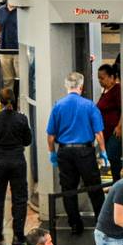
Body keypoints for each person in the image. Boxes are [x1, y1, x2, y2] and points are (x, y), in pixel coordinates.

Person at [46, 72, 106, 236]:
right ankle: (101, 222)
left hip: (64, 152)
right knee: (94, 187)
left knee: (68, 189)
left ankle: (75, 224)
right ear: (81, 86)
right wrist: (103, 152)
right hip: (85, 152)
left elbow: (51, 136)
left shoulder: (58, 106)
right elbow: (99, 133)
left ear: (66, 86)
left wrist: (52, 153)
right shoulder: (89, 105)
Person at [0, 88, 32, 245]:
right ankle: (18, 235)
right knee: (19, 198)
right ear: (15, 100)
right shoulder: (21, 119)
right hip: (17, 161)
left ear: (0, 101)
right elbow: (27, 140)